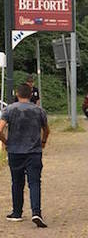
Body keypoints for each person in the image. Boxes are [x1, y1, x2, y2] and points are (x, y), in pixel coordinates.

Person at [0, 83, 50, 227]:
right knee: (34, 182)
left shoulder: (9, 110)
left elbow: (0, 128)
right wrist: (43, 141)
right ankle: (36, 212)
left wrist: (6, 142)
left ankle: (16, 213)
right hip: (34, 152)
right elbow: (46, 129)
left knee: (17, 182)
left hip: (15, 151)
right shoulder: (39, 110)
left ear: (17, 94)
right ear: (30, 95)